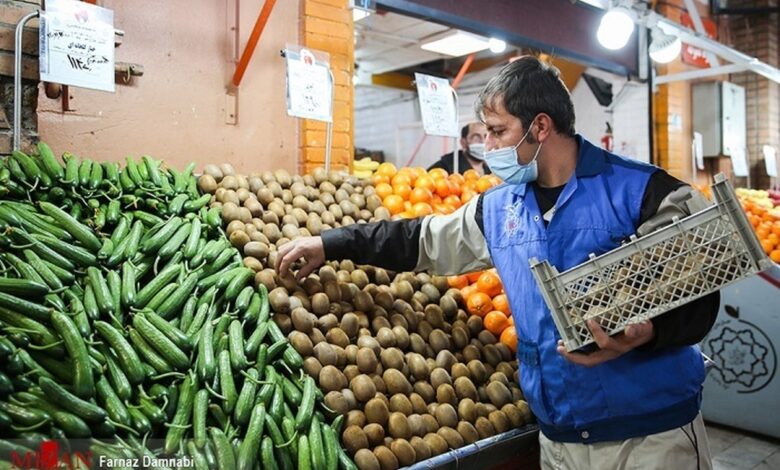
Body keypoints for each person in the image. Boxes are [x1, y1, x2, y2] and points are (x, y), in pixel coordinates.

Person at [277, 56, 719, 470]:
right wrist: (329, 243)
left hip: (650, 437)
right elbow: (421, 240)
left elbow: (703, 296)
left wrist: (650, 331)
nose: (486, 145)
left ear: (540, 126)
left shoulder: (644, 193)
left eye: (497, 131)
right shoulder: (501, 207)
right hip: (561, 438)